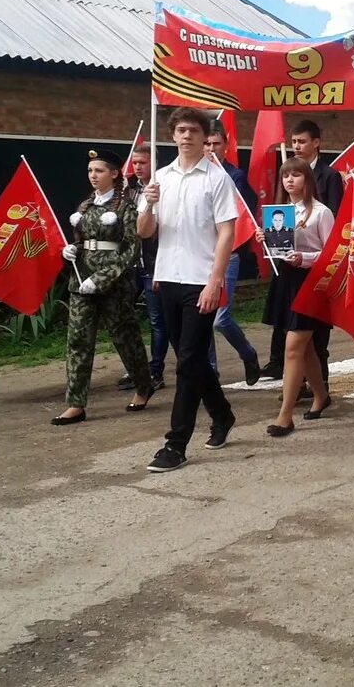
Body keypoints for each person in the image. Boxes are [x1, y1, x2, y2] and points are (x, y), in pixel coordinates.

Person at [138, 107, 239, 472]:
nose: (186, 136)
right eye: (180, 130)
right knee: (189, 358)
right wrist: (148, 205)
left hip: (201, 280)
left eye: (193, 131)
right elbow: (145, 231)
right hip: (167, 278)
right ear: (173, 135)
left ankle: (175, 444)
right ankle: (223, 414)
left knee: (187, 362)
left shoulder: (216, 179)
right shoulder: (159, 179)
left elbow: (227, 232)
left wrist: (216, 281)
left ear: (203, 136)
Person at [52, 149, 153, 424]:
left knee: (126, 338)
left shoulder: (125, 208)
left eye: (98, 171)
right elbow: (83, 240)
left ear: (114, 173)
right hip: (81, 280)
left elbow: (131, 249)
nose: (93, 176)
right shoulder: (85, 207)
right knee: (78, 342)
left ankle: (144, 386)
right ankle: (75, 403)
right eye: (90, 171)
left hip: (113, 283)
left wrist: (102, 278)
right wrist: (71, 250)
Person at [258, 118, 344, 386]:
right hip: (287, 272)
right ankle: (307, 388)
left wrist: (308, 239)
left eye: (302, 141)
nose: (296, 146)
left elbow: (332, 236)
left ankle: (314, 389)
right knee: (290, 337)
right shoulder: (284, 201)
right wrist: (269, 239)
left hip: (314, 271)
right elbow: (278, 232)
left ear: (316, 143)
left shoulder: (328, 181)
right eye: (293, 141)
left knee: (312, 341)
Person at [257, 157, 335, 436]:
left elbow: (332, 253)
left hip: (311, 282)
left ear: (308, 179)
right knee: (307, 348)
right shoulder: (280, 212)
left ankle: (285, 415)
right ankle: (320, 395)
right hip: (286, 281)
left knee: (293, 347)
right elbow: (277, 252)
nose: (290, 180)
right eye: (286, 175)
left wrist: (304, 257)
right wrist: (265, 239)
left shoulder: (321, 213)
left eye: (296, 175)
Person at [205, 122, 260, 386]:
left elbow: (246, 212)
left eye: (216, 144)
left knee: (220, 317)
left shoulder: (234, 176)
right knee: (202, 317)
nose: (211, 149)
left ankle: (248, 354)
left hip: (229, 253)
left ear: (226, 146)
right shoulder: (195, 175)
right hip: (201, 255)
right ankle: (211, 373)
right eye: (207, 144)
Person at [122, 143, 168, 392]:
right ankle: (135, 369)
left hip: (153, 262)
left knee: (156, 320)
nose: (138, 167)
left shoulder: (162, 187)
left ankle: (155, 371)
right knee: (126, 318)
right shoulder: (126, 189)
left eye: (143, 162)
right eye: (135, 163)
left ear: (154, 163)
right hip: (130, 263)